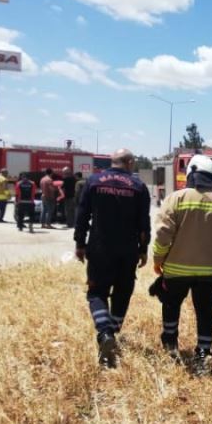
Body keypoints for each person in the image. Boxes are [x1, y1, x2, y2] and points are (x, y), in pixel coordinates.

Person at [152, 155, 212, 372]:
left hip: (176, 270)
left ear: (191, 174)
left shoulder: (175, 199)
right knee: (205, 311)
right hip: (210, 272)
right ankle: (203, 352)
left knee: (171, 305)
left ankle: (170, 345)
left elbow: (163, 234)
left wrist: (158, 259)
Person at [74, 149, 150, 368]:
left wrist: (80, 243)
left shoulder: (93, 182)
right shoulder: (138, 186)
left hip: (99, 248)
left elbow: (82, 215)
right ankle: (112, 333)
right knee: (123, 291)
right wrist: (143, 249)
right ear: (129, 162)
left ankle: (105, 333)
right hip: (127, 250)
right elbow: (143, 223)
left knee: (97, 292)